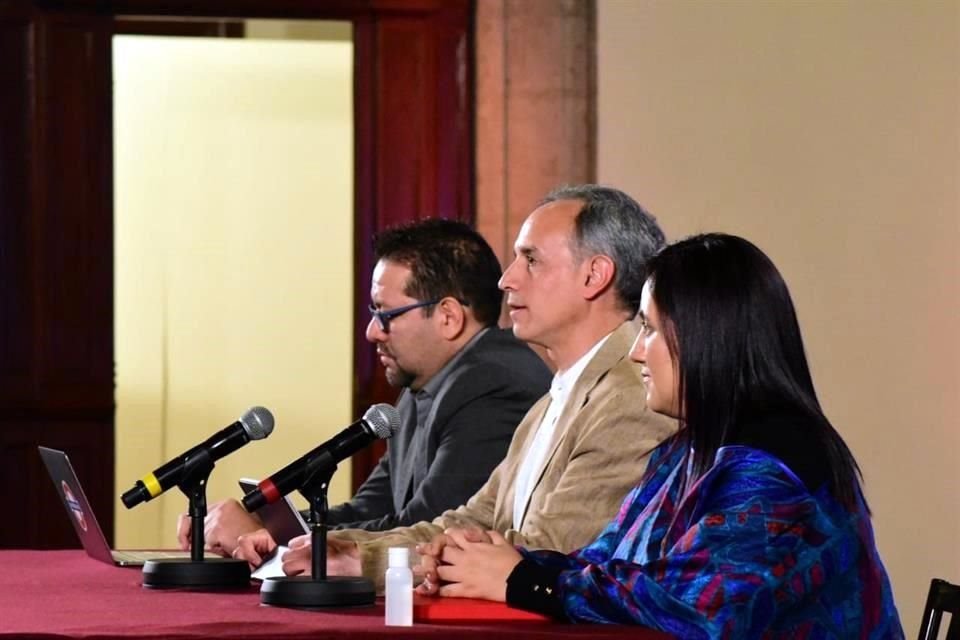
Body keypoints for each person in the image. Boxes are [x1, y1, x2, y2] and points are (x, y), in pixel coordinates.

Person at [418, 233, 904, 638]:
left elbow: (695, 606)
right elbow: (610, 561)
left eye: (649, 330)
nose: (636, 353)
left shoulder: (773, 462)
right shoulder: (690, 447)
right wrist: (492, 560)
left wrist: (523, 581)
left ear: (704, 337)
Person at [234, 184, 678, 588]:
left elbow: (545, 553)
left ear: (594, 276)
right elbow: (469, 521)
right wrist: (340, 548)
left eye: (531, 259)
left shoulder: (629, 393)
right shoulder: (554, 396)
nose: (507, 279)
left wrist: (364, 564)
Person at [177, 219, 552, 555]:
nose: (372, 332)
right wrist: (266, 527)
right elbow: (373, 508)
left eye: (385, 315)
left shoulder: (493, 384)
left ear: (448, 317)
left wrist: (272, 537)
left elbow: (427, 530)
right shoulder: (423, 385)